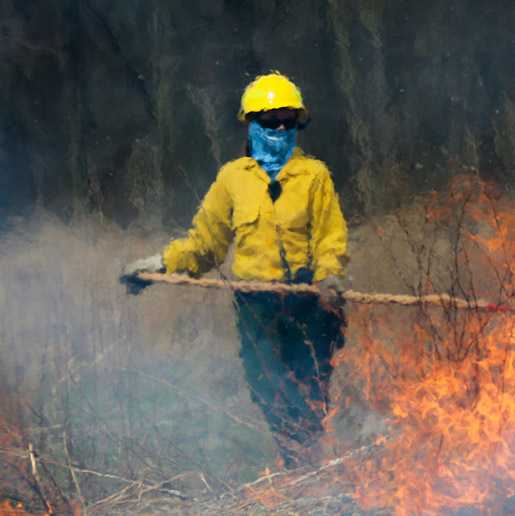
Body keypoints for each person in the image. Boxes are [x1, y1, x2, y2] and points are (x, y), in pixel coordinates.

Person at [121, 72, 349, 466]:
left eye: (289, 121)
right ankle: (296, 457)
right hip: (255, 303)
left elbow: (331, 237)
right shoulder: (232, 179)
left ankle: (308, 463)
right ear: (251, 123)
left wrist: (329, 278)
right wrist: (160, 265)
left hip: (309, 301)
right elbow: (205, 243)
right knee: (265, 386)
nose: (280, 128)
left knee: (309, 385)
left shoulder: (315, 176)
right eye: (271, 120)